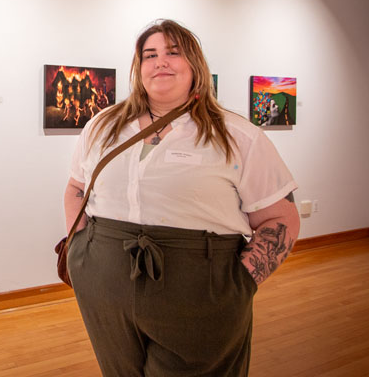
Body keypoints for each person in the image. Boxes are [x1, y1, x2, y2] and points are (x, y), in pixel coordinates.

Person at [63, 19, 300, 377]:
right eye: (150, 54)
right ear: (139, 68)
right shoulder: (102, 125)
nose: (161, 62)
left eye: (173, 53)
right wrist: (82, 251)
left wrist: (239, 285)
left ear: (195, 65)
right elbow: (76, 189)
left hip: (200, 291)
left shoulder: (236, 135)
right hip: (104, 282)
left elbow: (281, 219)